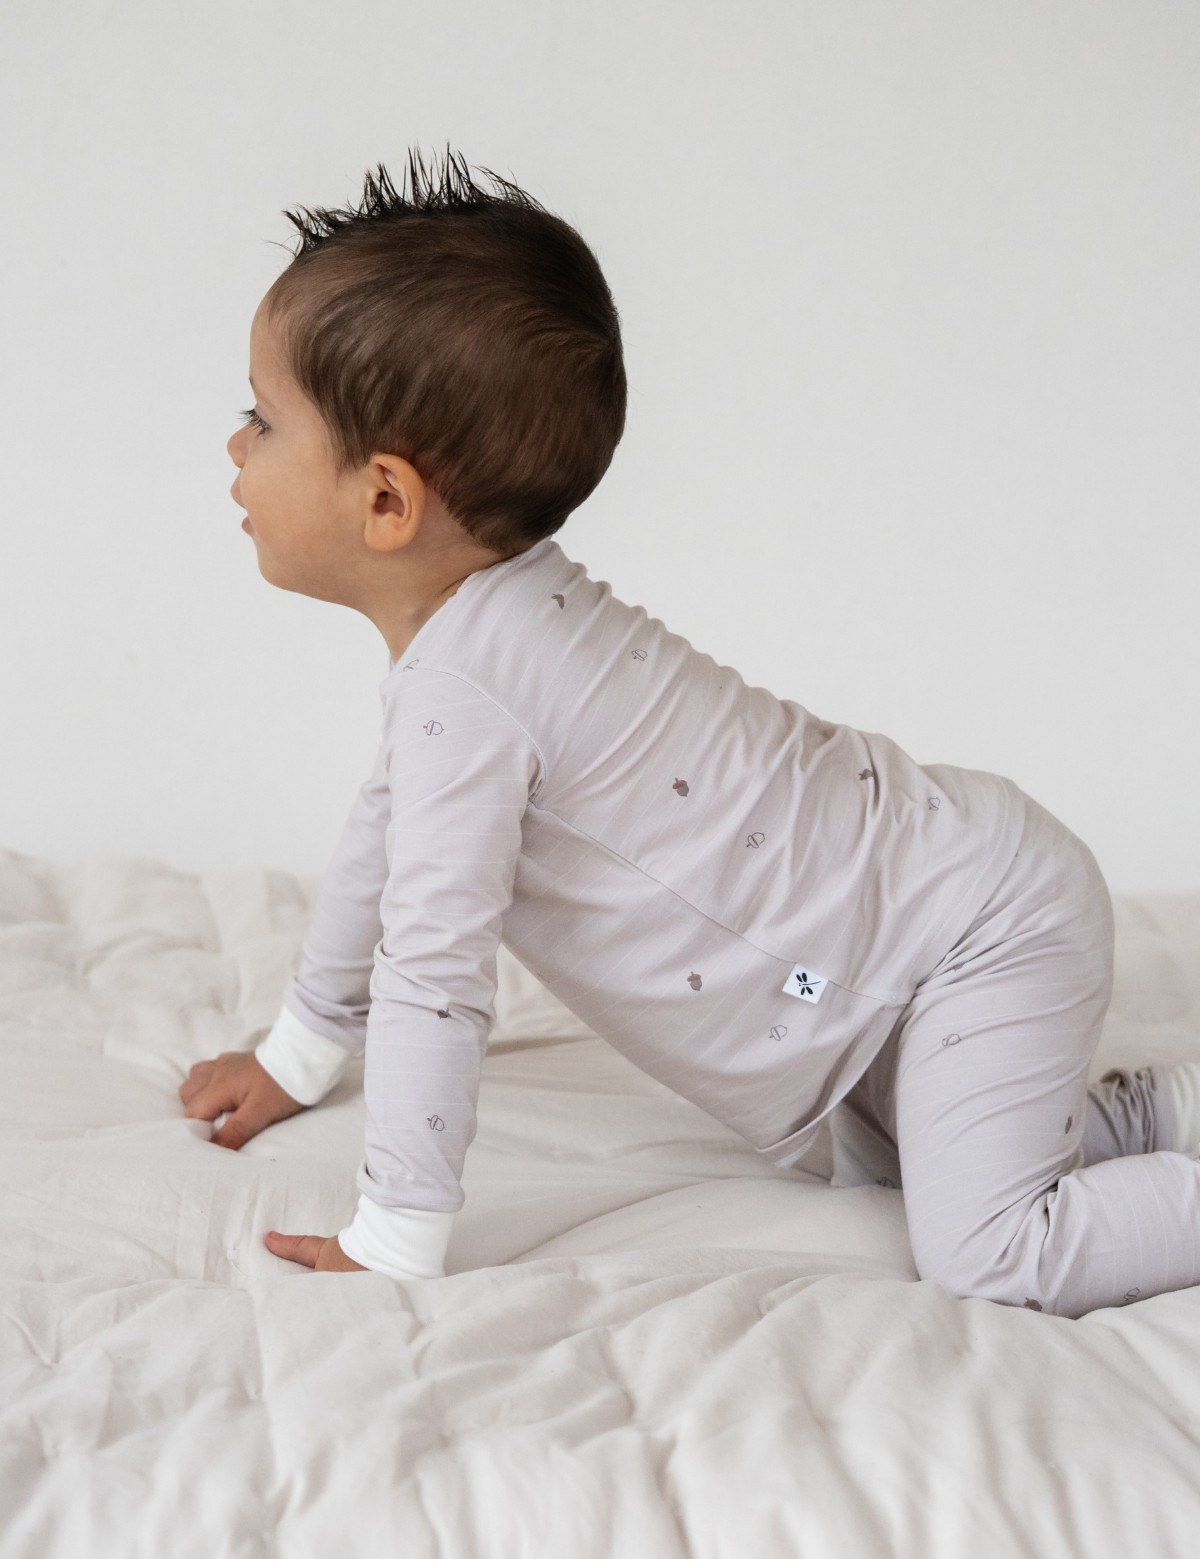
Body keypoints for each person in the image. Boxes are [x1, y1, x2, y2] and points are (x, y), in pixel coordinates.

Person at [180, 152, 1200, 1317]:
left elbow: (435, 973)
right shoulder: (474, 658)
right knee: (911, 1174)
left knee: (989, 1254)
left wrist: (395, 1236)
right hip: (909, 944)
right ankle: (1157, 1112)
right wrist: (298, 1053)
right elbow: (387, 836)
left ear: (386, 501)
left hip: (973, 924)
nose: (236, 448)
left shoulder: (474, 685)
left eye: (261, 419)